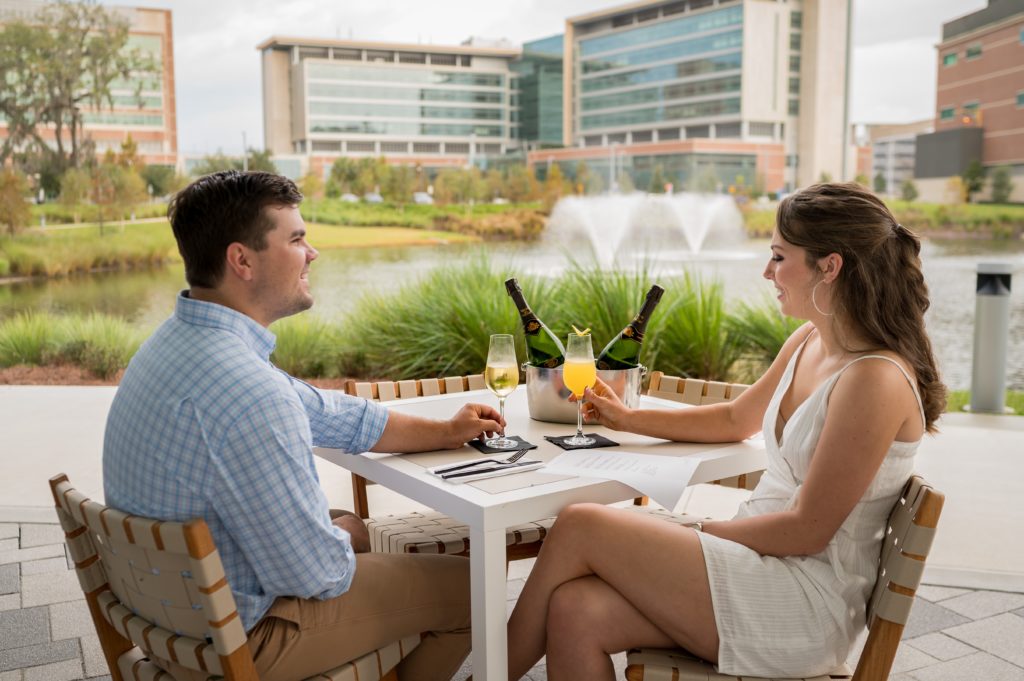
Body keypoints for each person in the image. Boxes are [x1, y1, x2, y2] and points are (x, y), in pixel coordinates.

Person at [506, 182, 946, 680]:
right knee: (574, 609)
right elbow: (736, 419)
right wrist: (628, 418)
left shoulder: (874, 379)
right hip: (757, 563)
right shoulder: (810, 339)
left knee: (581, 525)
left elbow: (807, 530)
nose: (767, 272)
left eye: (780, 257)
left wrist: (696, 531)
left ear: (830, 266)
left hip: (802, 601)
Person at [103, 170, 505, 681]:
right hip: (243, 643)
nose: (312, 253)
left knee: (350, 532)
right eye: (296, 239)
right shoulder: (251, 395)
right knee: (473, 588)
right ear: (242, 260)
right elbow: (319, 574)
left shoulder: (174, 345)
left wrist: (446, 430)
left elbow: (327, 412)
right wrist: (345, 533)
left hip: (169, 616)